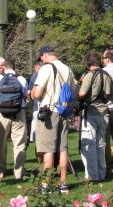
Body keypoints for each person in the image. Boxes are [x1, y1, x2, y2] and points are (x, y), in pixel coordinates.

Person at [32, 45, 77, 194]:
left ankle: (46, 184)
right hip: (63, 111)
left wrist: (32, 92)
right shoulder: (68, 69)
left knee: (48, 149)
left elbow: (37, 93)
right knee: (63, 149)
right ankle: (63, 184)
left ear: (45, 56)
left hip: (49, 111)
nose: (42, 60)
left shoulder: (46, 68)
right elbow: (73, 91)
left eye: (42, 58)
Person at [0, 58, 28, 179]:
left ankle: (0, 171)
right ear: (14, 66)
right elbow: (25, 96)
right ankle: (18, 173)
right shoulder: (21, 79)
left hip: (1, 114)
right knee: (19, 144)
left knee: (1, 143)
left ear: (3, 67)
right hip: (18, 113)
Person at [78, 51, 113, 182]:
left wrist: (80, 85)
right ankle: (101, 173)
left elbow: (82, 93)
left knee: (89, 143)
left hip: (91, 111)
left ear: (90, 63)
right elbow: (110, 94)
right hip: (104, 111)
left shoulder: (90, 75)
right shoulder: (107, 75)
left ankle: (93, 175)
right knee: (100, 144)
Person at [28, 59, 43, 144]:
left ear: (37, 67)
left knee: (35, 121)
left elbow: (31, 92)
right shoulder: (37, 75)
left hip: (37, 103)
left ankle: (33, 137)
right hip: (40, 102)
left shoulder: (35, 76)